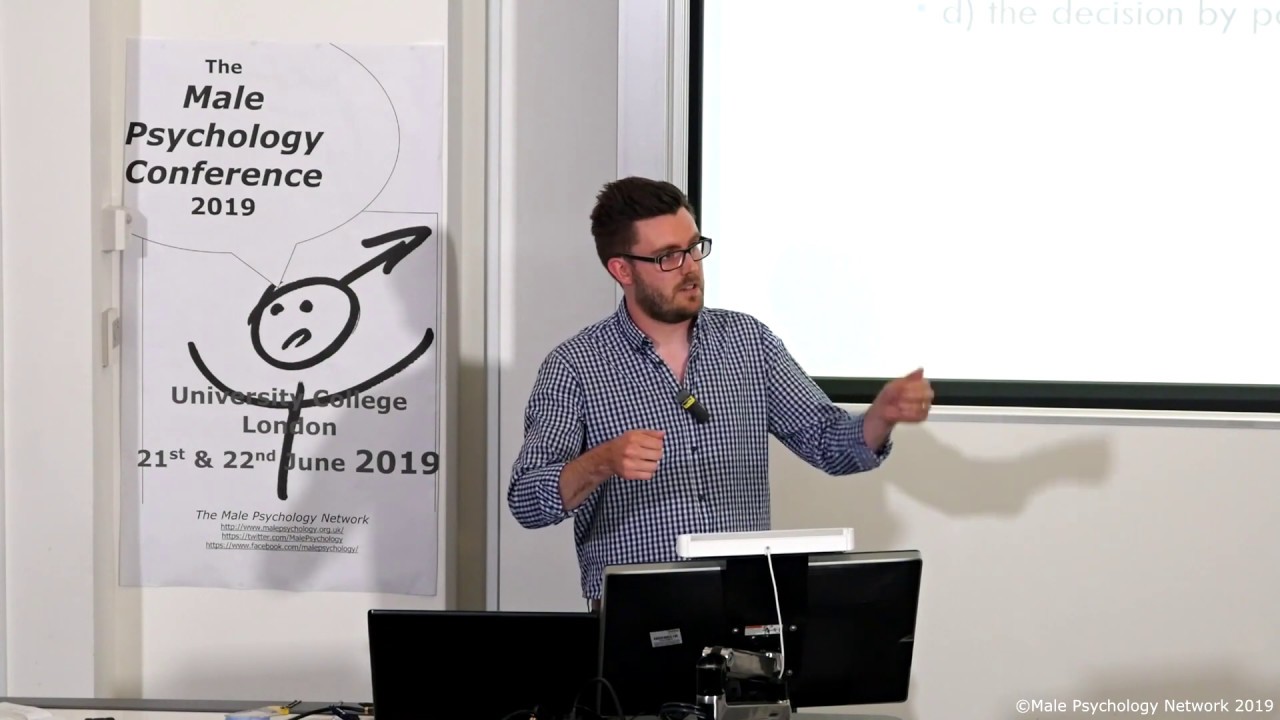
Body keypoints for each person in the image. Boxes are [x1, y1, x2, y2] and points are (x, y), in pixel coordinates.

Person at [507, 176, 933, 603]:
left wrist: (881, 416)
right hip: (642, 608)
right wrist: (600, 462)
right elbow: (526, 500)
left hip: (746, 603)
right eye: (668, 257)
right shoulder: (576, 366)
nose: (690, 267)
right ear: (622, 270)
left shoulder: (749, 342)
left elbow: (828, 443)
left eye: (694, 248)